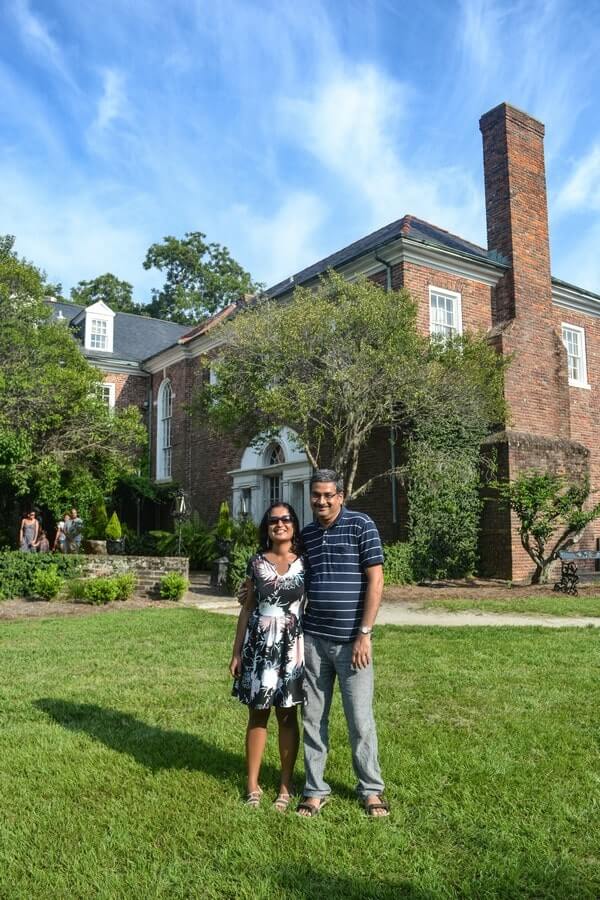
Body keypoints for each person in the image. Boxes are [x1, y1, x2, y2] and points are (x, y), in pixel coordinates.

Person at [296, 469, 389, 818]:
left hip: (353, 643)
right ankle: (315, 790)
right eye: (316, 495)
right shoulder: (307, 535)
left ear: (341, 495)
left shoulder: (361, 525)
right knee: (313, 718)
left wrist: (364, 633)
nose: (321, 501)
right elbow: (292, 578)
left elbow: (376, 581)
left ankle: (370, 789)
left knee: (360, 720)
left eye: (328, 495)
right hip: (314, 641)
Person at [230, 502, 305, 811]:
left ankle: (285, 787)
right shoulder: (256, 562)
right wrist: (236, 651)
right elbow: (246, 607)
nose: (280, 524)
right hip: (260, 645)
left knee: (287, 715)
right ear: (267, 527)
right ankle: (252, 785)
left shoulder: (306, 562)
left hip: (292, 647)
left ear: (294, 525)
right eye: (273, 520)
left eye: (286, 518)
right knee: (258, 713)